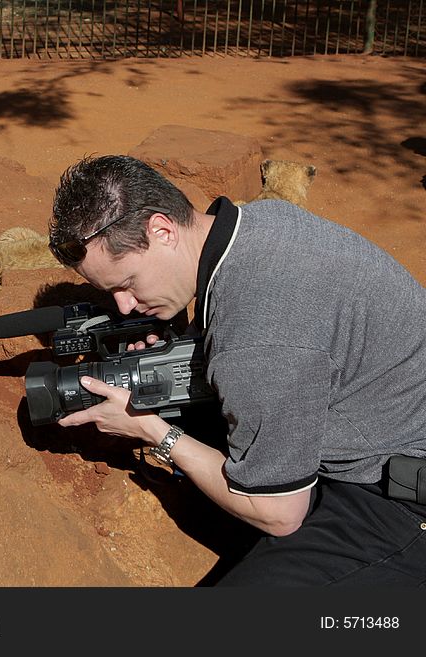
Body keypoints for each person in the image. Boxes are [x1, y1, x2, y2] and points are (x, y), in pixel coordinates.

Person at [47, 154, 426, 586]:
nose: (124, 306)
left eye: (126, 284)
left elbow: (280, 515)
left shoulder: (258, 337)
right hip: (376, 424)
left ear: (162, 230)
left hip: (400, 497)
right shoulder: (258, 222)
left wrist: (153, 431)